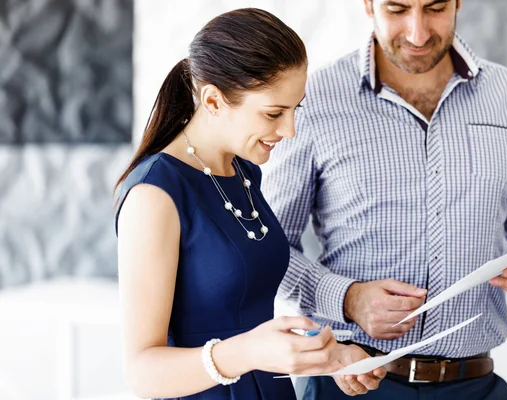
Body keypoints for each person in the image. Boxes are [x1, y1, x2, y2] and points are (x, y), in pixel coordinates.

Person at [262, 0, 507, 398]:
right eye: (397, 10)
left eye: (436, 9)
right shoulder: (315, 99)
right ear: (369, 5)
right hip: (352, 385)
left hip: (475, 386)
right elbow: (266, 249)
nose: (418, 33)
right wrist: (348, 298)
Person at [114, 8, 386, 400]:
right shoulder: (154, 195)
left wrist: (329, 357)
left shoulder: (243, 173)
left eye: (296, 109)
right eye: (274, 113)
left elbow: (248, 314)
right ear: (213, 100)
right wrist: (247, 353)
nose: (289, 130)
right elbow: (141, 373)